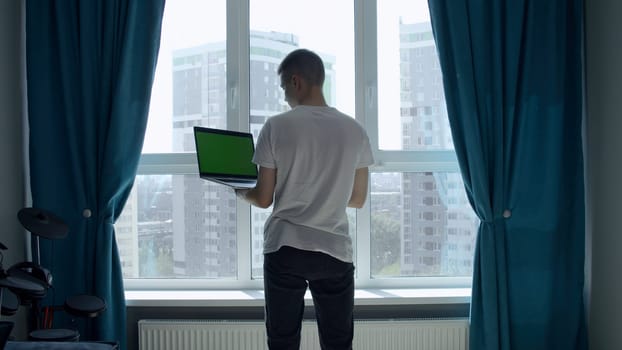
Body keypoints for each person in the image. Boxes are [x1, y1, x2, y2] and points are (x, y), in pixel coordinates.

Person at [236, 48, 374, 350]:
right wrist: (327, 195)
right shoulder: (355, 131)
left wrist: (240, 191)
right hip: (335, 251)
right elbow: (358, 198)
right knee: (338, 342)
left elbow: (262, 198)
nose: (285, 96)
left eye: (284, 87)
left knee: (283, 341)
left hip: (286, 248)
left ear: (296, 81)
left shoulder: (276, 126)